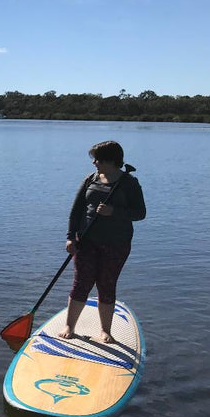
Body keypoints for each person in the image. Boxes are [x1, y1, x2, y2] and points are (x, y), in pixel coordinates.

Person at [59, 140, 146, 343]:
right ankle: (69, 326)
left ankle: (105, 331)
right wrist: (70, 237)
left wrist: (113, 212)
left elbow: (140, 213)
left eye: (97, 159)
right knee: (81, 283)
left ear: (111, 160)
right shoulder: (91, 179)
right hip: (86, 241)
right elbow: (76, 211)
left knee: (106, 285)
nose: (94, 163)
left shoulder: (129, 183)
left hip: (116, 243)